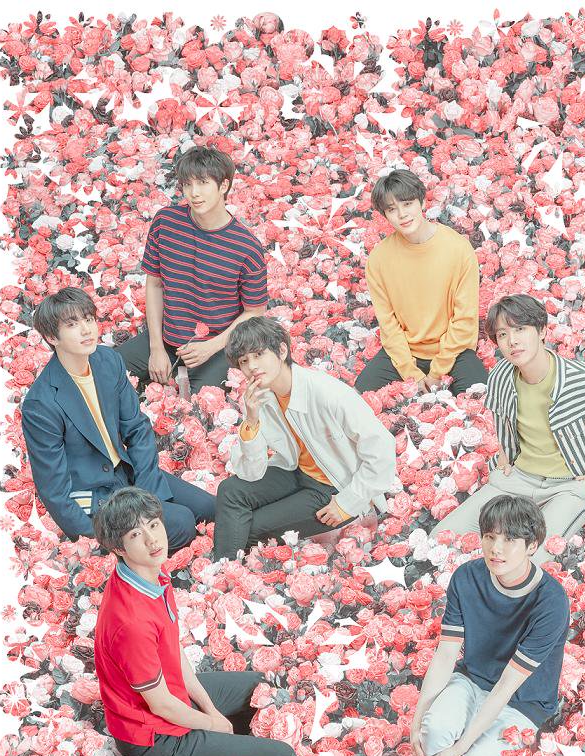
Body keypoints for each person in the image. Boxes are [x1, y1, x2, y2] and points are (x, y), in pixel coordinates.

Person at [93, 487, 298, 756]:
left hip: (173, 696)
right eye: (136, 535)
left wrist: (210, 709)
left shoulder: (150, 572)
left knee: (263, 688)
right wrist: (213, 724)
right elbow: (161, 705)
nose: (152, 540)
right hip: (155, 740)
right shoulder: (131, 621)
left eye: (153, 525)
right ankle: (220, 754)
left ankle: (230, 745)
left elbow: (173, 652)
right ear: (119, 549)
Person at [430, 294, 585, 563]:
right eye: (503, 334)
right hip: (519, 478)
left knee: (530, 561)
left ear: (542, 330)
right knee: (440, 538)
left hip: (569, 485)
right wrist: (505, 456)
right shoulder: (501, 375)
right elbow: (502, 415)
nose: (512, 341)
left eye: (520, 329)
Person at [21, 287, 214, 553]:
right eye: (72, 324)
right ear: (52, 337)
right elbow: (53, 490)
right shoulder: (41, 404)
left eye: (89, 319)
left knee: (210, 509)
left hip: (127, 472)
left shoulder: (107, 360)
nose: (87, 330)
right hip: (96, 493)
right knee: (182, 523)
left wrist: (149, 493)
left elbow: (136, 429)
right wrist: (98, 541)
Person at [411, 495, 570, 756]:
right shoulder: (467, 578)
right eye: (490, 537)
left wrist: (459, 750)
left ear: (532, 545)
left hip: (522, 701)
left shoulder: (550, 602)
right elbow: (445, 655)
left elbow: (507, 686)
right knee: (433, 733)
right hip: (472, 679)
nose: (496, 548)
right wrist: (416, 722)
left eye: (510, 540)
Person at [215, 316, 397, 561]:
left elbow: (382, 447)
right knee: (230, 490)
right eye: (244, 361)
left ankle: (223, 570)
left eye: (258, 355)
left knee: (252, 527)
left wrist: (347, 503)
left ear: (282, 351)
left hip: (334, 485)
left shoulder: (327, 392)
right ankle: (222, 569)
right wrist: (252, 421)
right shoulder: (262, 398)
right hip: (297, 471)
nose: (252, 366)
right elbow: (251, 472)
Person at [119, 145, 268, 395]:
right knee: (106, 371)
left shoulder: (246, 247)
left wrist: (211, 347)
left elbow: (255, 312)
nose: (194, 193)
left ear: (223, 186)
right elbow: (155, 284)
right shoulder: (166, 223)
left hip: (219, 347)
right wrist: (156, 347)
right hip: (167, 338)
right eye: (187, 185)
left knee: (197, 406)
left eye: (203, 183)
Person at [354, 169, 487, 396]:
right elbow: (388, 325)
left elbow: (464, 319)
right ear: (385, 215)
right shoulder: (378, 260)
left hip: (453, 352)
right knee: (358, 395)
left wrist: (436, 373)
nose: (402, 215)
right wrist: (412, 374)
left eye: (407, 204)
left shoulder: (458, 249)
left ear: (422, 202)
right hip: (405, 352)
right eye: (392, 209)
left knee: (481, 399)